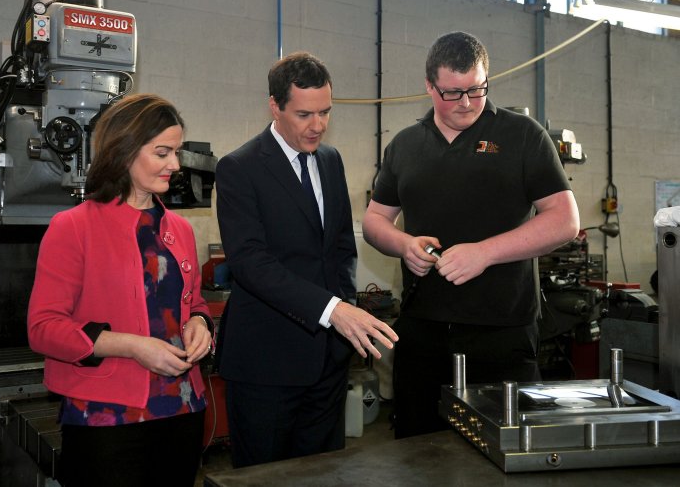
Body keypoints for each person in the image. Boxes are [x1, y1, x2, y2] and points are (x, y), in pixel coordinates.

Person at [362, 31, 580, 439]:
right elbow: (375, 218)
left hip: (502, 332)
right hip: (422, 329)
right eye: (453, 92)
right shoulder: (405, 146)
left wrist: (486, 252)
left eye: (477, 90)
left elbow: (564, 220)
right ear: (429, 86)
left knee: (504, 448)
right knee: (417, 451)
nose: (466, 103)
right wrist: (403, 244)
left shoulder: (523, 136)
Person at [215, 51, 399, 468]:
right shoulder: (239, 168)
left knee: (321, 473)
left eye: (325, 113)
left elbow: (339, 248)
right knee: (264, 476)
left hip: (326, 362)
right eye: (304, 115)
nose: (317, 126)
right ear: (275, 106)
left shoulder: (330, 162)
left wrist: (344, 307)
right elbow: (250, 263)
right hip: (266, 363)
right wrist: (332, 310)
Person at [28, 93, 214, 487]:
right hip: (106, 418)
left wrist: (200, 324)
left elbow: (195, 303)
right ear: (125, 151)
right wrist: (131, 345)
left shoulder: (179, 230)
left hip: (181, 409)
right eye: (162, 152)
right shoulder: (73, 227)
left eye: (176, 152)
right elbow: (43, 327)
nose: (175, 165)